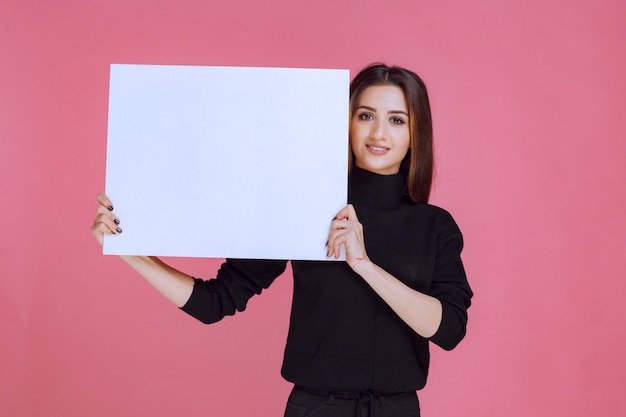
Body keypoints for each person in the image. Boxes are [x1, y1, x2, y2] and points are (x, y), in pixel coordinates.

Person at [91, 63, 473, 417]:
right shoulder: (304, 208)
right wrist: (129, 250)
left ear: (415, 133)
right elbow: (215, 301)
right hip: (315, 407)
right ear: (346, 123)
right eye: (365, 116)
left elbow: (448, 329)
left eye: (396, 120)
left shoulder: (435, 226)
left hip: (398, 409)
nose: (378, 133)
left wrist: (364, 266)